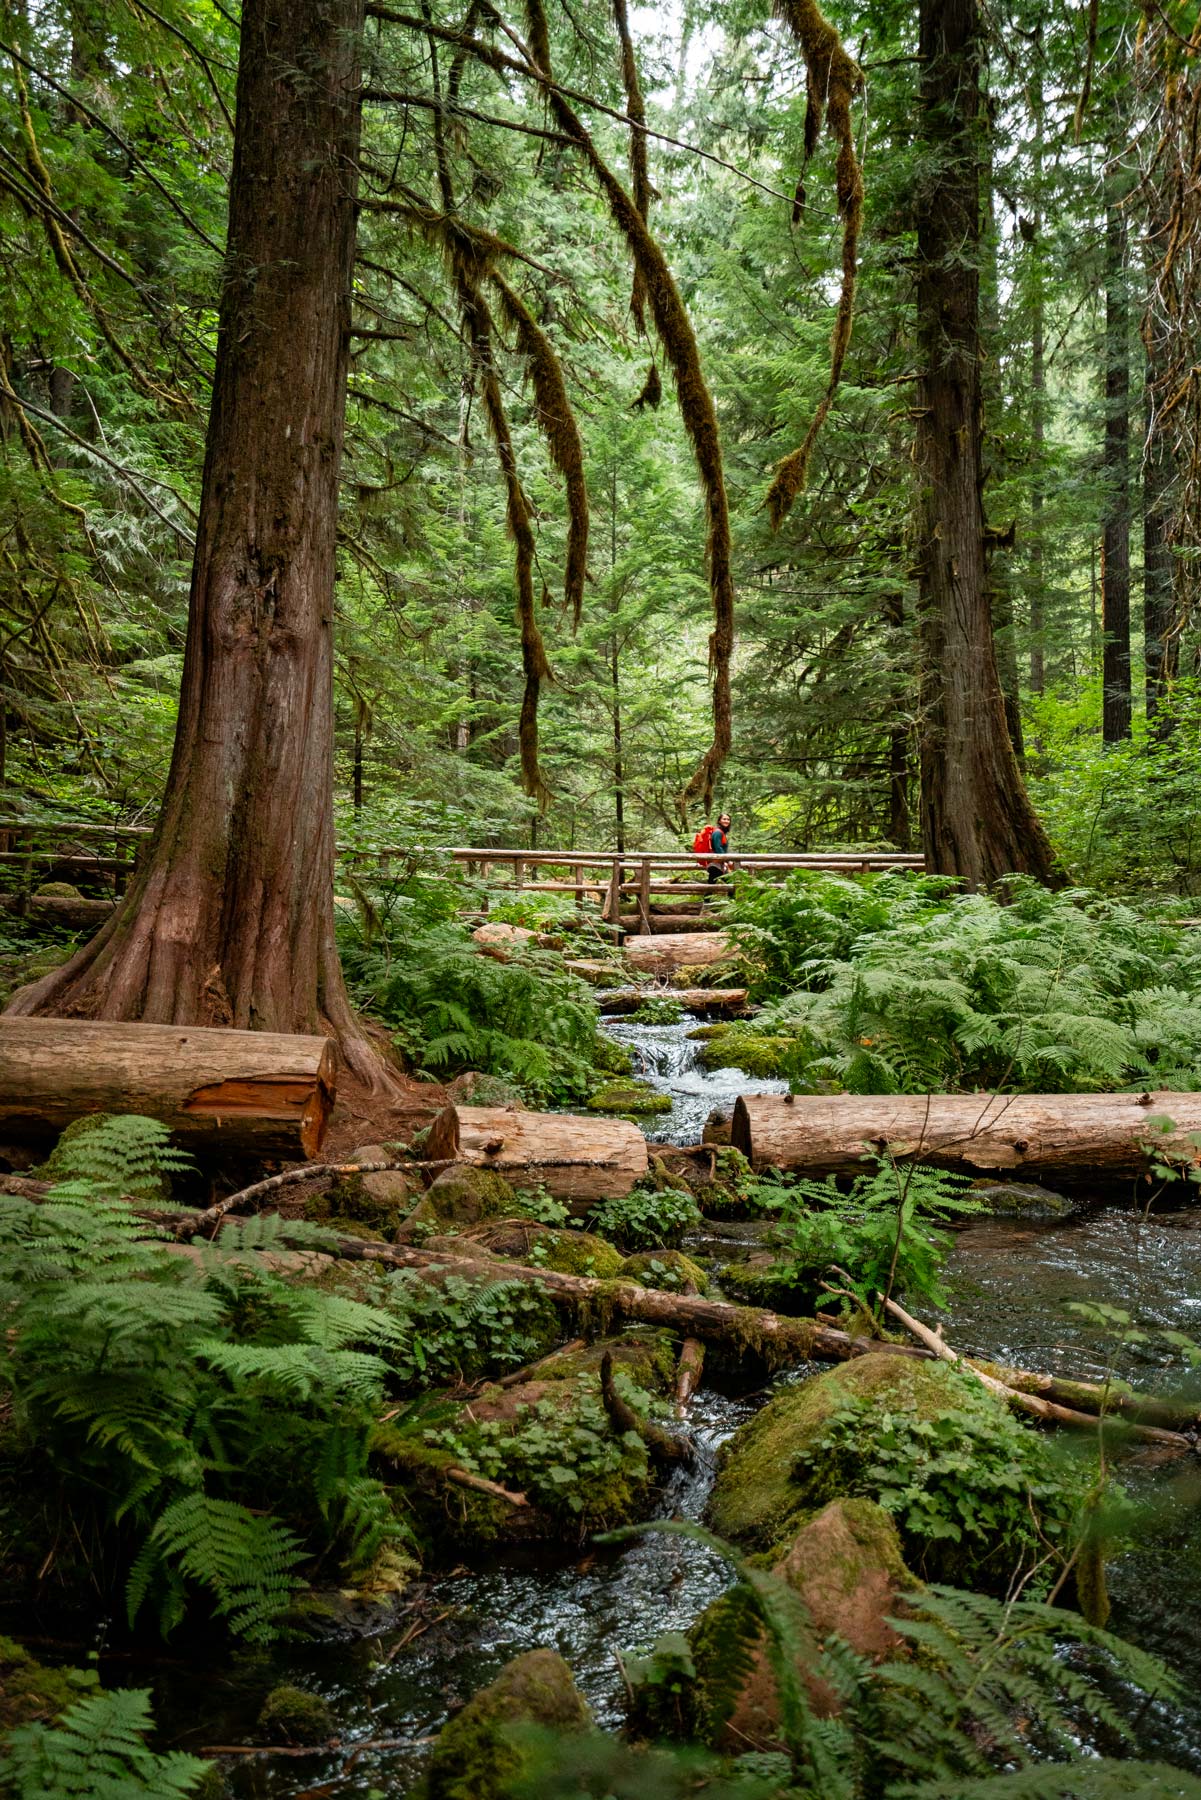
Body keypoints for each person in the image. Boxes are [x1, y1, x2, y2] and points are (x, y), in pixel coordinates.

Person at [707, 812, 732, 884]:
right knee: (730, 882)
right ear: (719, 821)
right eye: (724, 819)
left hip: (717, 863)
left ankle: (708, 894)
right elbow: (718, 848)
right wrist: (726, 861)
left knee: (711, 883)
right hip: (716, 864)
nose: (726, 821)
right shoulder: (718, 833)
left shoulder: (721, 832)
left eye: (728, 819)